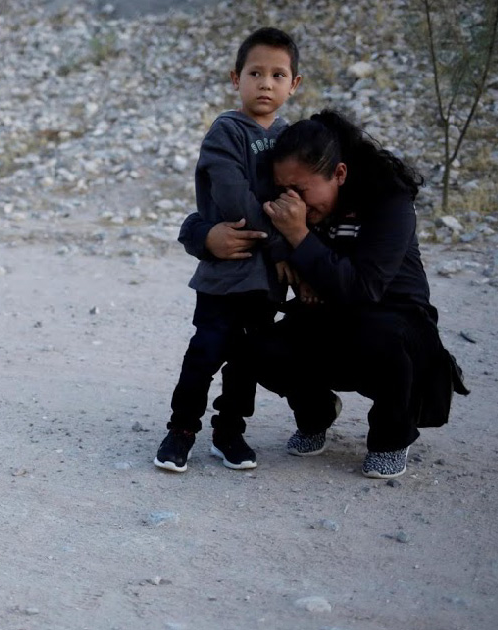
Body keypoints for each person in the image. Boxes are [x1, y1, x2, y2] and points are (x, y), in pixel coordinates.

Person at [189, 109, 468, 479]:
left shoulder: (389, 201)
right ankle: (316, 414)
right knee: (256, 348)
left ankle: (390, 438)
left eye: (302, 191)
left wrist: (299, 237)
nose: (294, 202)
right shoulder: (293, 203)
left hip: (397, 325)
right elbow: (217, 212)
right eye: (285, 190)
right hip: (331, 318)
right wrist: (203, 238)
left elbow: (365, 288)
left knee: (382, 336)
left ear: (339, 174)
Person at [153, 27, 302, 473]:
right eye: (255, 73)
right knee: (206, 350)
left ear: (293, 85)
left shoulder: (293, 137)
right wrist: (282, 241)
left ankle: (229, 433)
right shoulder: (227, 131)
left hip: (266, 283)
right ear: (236, 78)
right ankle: (181, 431)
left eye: (278, 75)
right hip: (226, 272)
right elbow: (235, 198)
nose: (266, 83)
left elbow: (300, 198)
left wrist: (291, 248)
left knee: (246, 362)